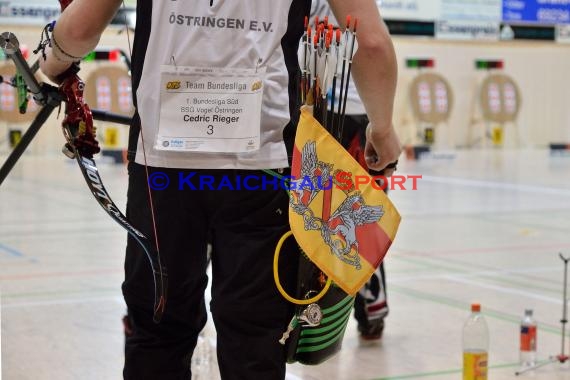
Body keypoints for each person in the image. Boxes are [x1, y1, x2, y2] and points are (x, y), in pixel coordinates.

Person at [40, 0, 400, 379]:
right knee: (255, 334)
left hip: (164, 172)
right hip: (262, 170)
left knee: (158, 330)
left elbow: (79, 29)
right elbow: (371, 43)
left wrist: (52, 63)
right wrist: (383, 127)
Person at [310, 0, 391, 342]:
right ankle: (368, 310)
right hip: (349, 110)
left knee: (325, 214)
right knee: (355, 216)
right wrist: (383, 123)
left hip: (330, 109)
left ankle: (325, 311)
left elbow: (372, 43)